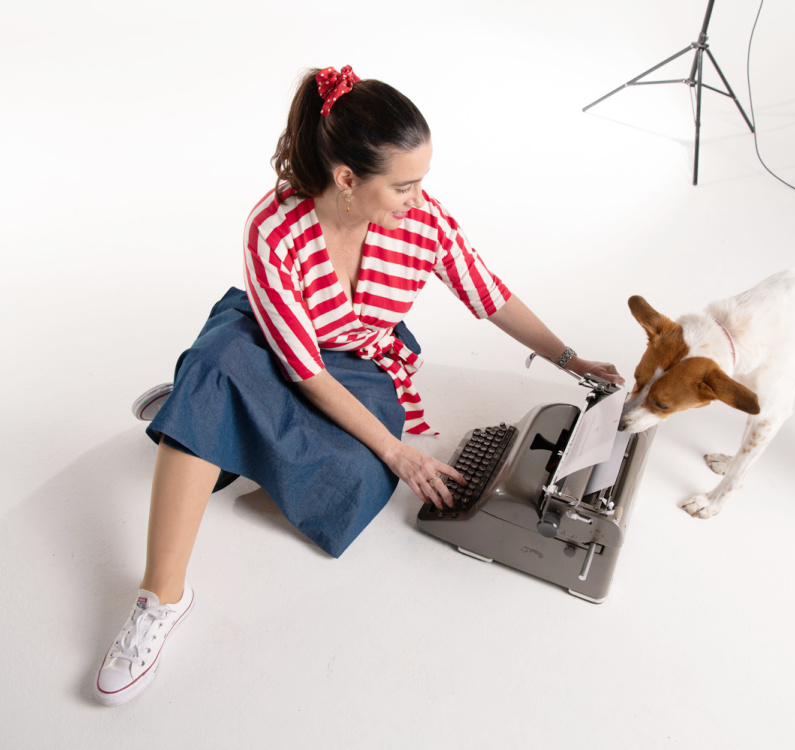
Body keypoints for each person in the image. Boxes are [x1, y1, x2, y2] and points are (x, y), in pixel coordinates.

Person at [93, 65, 623, 706]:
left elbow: (490, 295)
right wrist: (399, 451)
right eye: (404, 185)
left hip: (357, 359)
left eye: (422, 181)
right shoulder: (273, 228)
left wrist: (571, 359)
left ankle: (203, 424)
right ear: (348, 179)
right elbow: (302, 368)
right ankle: (163, 591)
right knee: (221, 369)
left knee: (353, 478)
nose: (419, 199)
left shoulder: (423, 223)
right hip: (270, 343)